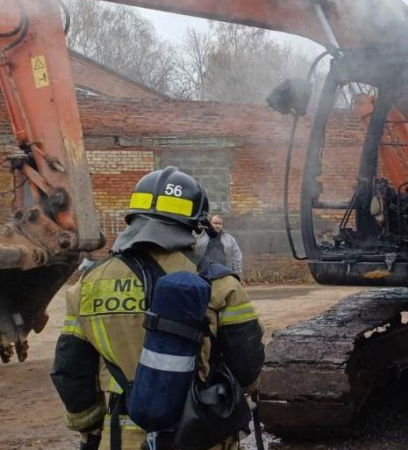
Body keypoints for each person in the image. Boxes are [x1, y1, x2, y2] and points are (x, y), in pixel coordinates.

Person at [51, 167, 265, 450]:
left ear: (133, 218)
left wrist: (89, 427)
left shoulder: (88, 284)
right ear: (194, 225)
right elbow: (247, 362)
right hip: (200, 435)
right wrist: (248, 392)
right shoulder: (219, 282)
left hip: (120, 439)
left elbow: (69, 370)